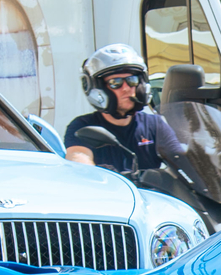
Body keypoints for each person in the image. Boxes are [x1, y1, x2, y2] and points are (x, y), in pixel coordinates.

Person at [65, 44, 183, 178]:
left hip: (151, 197)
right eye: (116, 82)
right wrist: (90, 174)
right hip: (109, 196)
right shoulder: (83, 127)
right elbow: (80, 162)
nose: (127, 88)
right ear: (98, 88)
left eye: (132, 80)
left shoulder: (154, 125)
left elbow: (181, 162)